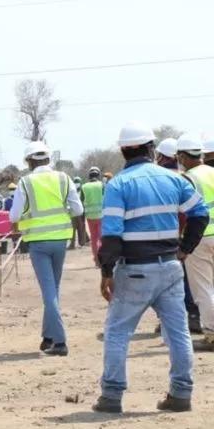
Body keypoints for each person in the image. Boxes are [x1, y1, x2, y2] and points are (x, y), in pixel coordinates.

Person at [93, 123, 208, 414]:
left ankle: (111, 396)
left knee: (118, 333)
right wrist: (184, 249)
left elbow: (112, 235)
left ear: (122, 151)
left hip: (133, 269)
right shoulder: (174, 179)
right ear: (151, 148)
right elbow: (200, 214)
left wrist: (107, 272)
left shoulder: (118, 185)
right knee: (178, 332)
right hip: (170, 266)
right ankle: (181, 394)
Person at [9, 141, 83, 356]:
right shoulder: (64, 178)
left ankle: (59, 342)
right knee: (53, 290)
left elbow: (14, 215)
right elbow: (77, 209)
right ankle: (48, 336)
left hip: (38, 243)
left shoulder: (26, 182)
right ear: (48, 159)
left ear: (30, 161)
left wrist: (27, 216)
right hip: (61, 240)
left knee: (49, 292)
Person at [154, 137, 202, 335]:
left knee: (170, 282)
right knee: (189, 279)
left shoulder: (161, 177)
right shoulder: (185, 176)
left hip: (168, 236)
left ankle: (175, 319)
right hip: (189, 234)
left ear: (161, 156)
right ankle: (194, 316)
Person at [176, 133, 214, 351]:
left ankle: (211, 335)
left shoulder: (187, 178)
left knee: (203, 289)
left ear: (182, 156)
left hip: (200, 238)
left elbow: (185, 214)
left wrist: (183, 245)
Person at [81, 167, 105, 264]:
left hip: (90, 216)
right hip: (102, 215)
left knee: (94, 238)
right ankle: (101, 258)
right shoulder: (102, 185)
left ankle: (96, 258)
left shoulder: (84, 187)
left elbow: (81, 201)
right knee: (101, 237)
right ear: (98, 175)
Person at [69, 177, 88, 250]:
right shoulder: (72, 191)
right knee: (73, 228)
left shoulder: (83, 190)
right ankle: (72, 244)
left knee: (81, 227)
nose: (76, 183)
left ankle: (82, 242)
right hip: (73, 212)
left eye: (77, 182)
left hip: (81, 212)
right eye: (75, 182)